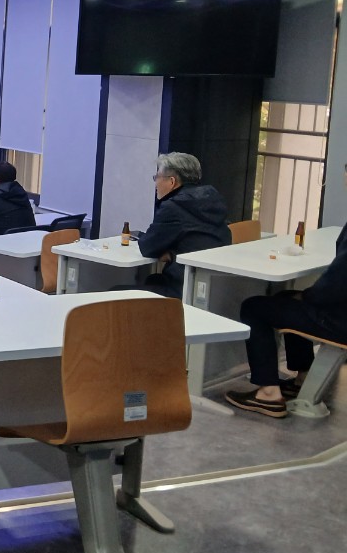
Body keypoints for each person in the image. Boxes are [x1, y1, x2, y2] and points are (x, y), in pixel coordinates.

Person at [227, 167, 347, 419]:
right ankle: (302, 377)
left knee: (253, 307)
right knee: (286, 298)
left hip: (338, 320)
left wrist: (308, 296)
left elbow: (338, 282)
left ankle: (268, 394)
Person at [136, 152, 232, 298]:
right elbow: (200, 241)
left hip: (183, 288)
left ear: (171, 182)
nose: (155, 184)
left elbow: (147, 247)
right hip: (212, 287)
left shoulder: (173, 207)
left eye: (157, 177)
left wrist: (169, 253)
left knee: (116, 291)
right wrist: (174, 254)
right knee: (154, 279)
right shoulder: (213, 199)